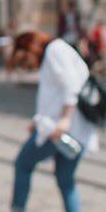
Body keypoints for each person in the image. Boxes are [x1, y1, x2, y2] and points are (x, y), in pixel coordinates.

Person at [7, 31, 99, 212]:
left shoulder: (55, 50)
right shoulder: (56, 51)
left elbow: (70, 86)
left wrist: (65, 120)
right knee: (65, 179)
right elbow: (54, 96)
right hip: (68, 127)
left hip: (59, 129)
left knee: (23, 164)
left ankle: (18, 208)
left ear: (31, 46)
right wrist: (39, 120)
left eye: (24, 59)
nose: (28, 65)